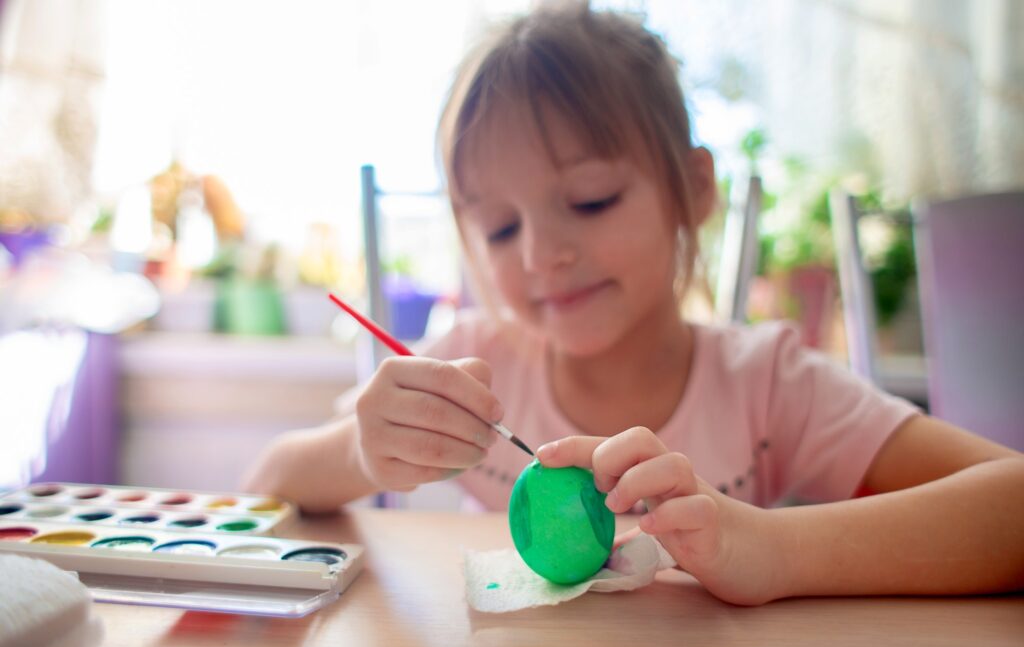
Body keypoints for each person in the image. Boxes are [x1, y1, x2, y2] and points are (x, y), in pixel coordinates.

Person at [243, 2, 1024, 605]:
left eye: (591, 200)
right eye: (501, 226)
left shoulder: (769, 385)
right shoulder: (472, 367)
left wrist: (772, 549)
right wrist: (361, 454)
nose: (542, 254)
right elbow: (265, 487)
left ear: (692, 189)